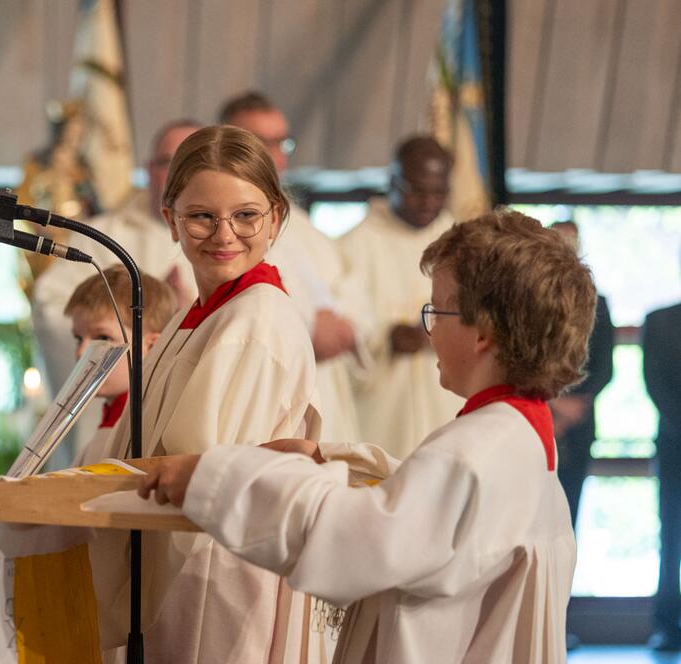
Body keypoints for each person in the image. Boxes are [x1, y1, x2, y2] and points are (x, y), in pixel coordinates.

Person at [141, 209, 591, 663]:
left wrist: (213, 479)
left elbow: (354, 540)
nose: (429, 330)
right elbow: (439, 520)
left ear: (484, 333)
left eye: (437, 311)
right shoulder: (517, 435)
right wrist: (330, 457)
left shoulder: (473, 452)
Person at [85, 125, 325, 663]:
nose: (225, 234)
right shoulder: (196, 316)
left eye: (246, 215)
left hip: (214, 577)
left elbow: (205, 471)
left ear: (276, 218)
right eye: (202, 216)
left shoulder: (256, 317)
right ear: (170, 219)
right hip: (179, 569)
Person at [31, 119, 199, 467]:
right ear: (149, 169)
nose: (177, 172)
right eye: (168, 162)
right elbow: (51, 306)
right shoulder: (105, 234)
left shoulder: (219, 243)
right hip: (107, 420)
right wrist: (141, 310)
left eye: (191, 161)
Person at [220, 91, 364, 444]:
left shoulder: (298, 221)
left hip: (327, 384)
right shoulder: (219, 220)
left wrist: (347, 325)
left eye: (281, 142)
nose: (276, 156)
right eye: (261, 142)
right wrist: (312, 329)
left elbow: (351, 283)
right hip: (270, 391)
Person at [340, 135, 461, 457]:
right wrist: (384, 340)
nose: (428, 203)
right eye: (417, 191)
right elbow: (334, 342)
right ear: (393, 181)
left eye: (439, 193)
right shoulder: (353, 247)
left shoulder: (465, 247)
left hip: (448, 414)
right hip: (381, 420)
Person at [65, 265, 177, 465]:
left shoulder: (146, 426)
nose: (82, 352)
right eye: (78, 338)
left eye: (103, 337)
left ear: (153, 346)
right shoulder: (112, 419)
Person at [548, 220, 614, 526]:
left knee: (570, 511)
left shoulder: (598, 303)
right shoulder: (528, 299)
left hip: (580, 420)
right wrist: (552, 403)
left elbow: (603, 367)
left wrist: (574, 407)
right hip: (540, 413)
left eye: (572, 243)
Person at [645, 288, 681, 651]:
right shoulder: (659, 320)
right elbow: (654, 382)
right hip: (674, 444)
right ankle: (668, 623)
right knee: (670, 536)